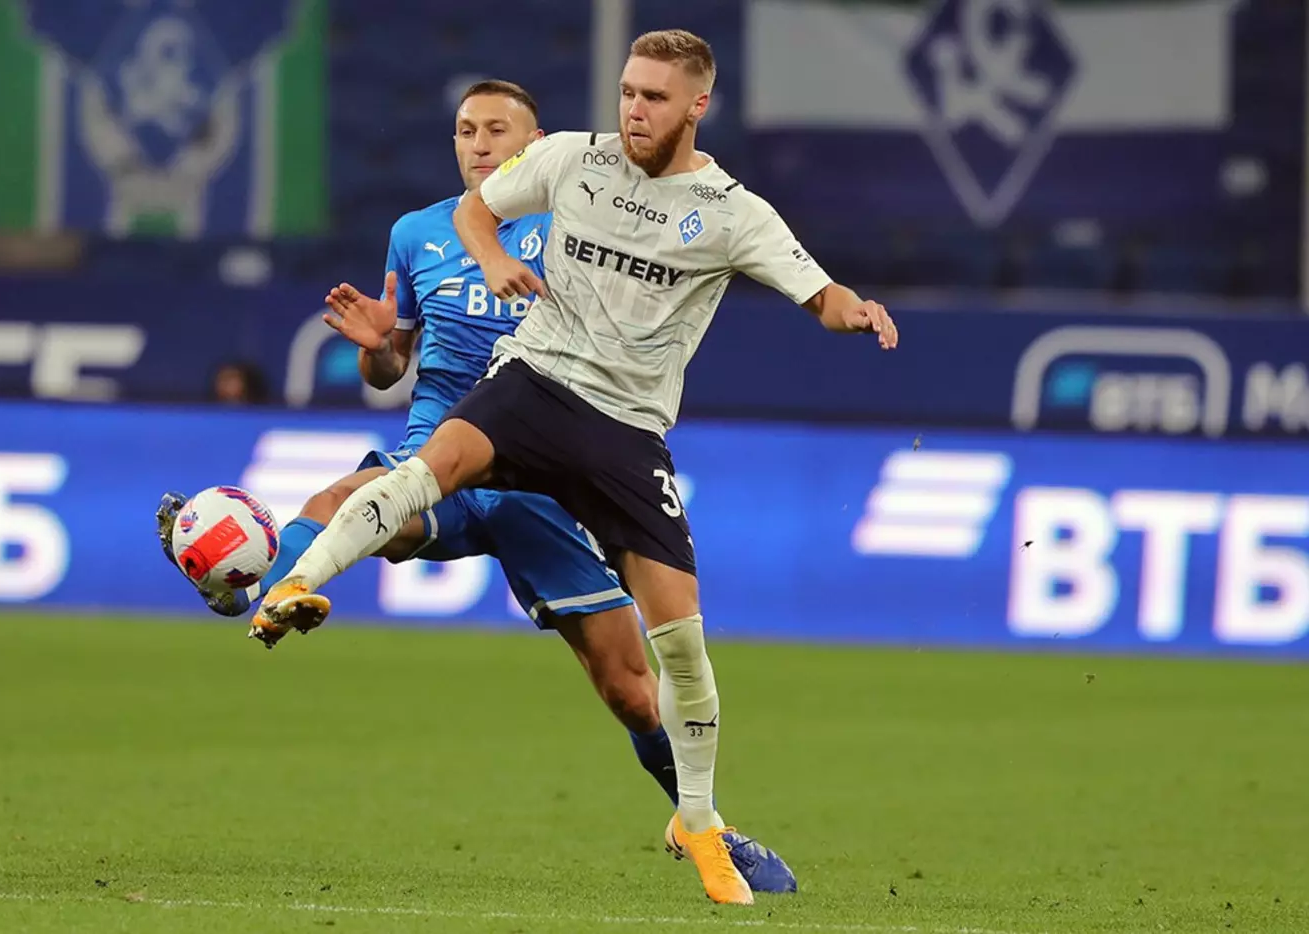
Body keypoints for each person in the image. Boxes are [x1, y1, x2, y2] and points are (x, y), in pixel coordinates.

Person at [253, 30, 898, 906]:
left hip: (621, 434)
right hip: (529, 387)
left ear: (697, 106)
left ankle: (701, 822)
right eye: (627, 92)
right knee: (402, 480)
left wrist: (854, 311)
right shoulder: (551, 173)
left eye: (654, 97)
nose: (634, 109)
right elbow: (463, 236)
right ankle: (287, 584)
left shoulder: (732, 212)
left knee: (655, 667)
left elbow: (818, 293)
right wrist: (486, 264)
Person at [155, 78, 795, 895]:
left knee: (632, 692)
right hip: (446, 458)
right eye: (466, 130)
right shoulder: (416, 233)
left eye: (498, 130)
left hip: (548, 486)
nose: (480, 144)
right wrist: (380, 347)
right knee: (341, 503)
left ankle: (703, 824)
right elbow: (390, 368)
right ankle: (250, 585)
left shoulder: (582, 220)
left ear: (537, 146)